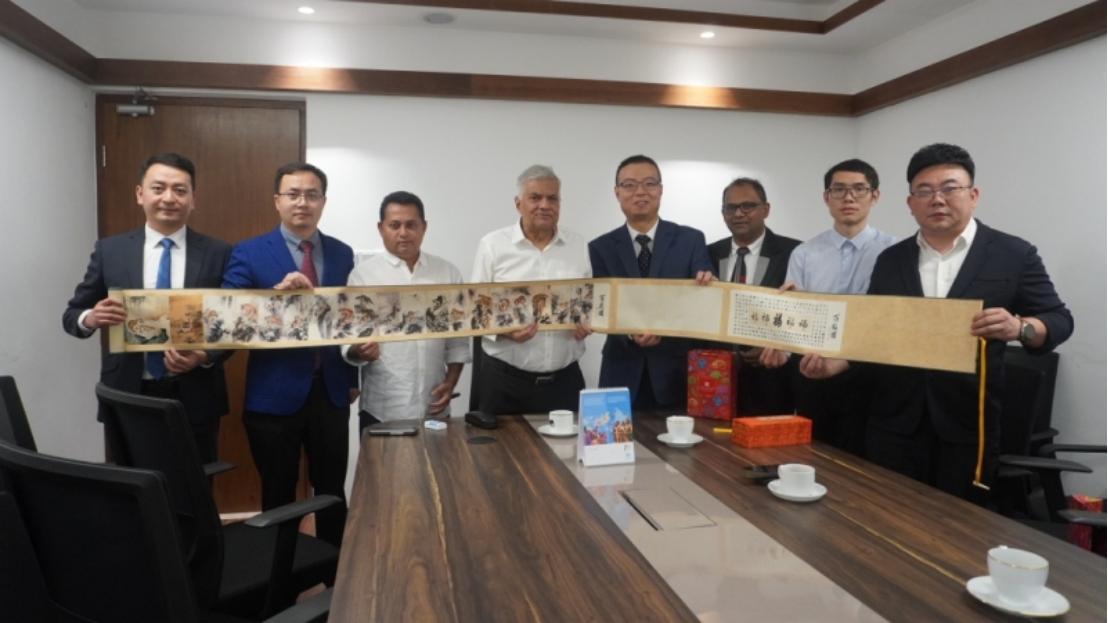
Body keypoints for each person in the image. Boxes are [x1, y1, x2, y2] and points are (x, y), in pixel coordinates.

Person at [799, 144, 1073, 502]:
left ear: (973, 195)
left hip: (968, 422)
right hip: (893, 420)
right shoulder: (892, 259)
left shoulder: (1013, 254)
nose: (937, 199)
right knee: (889, 514)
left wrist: (1020, 328)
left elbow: (1059, 319)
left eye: (949, 188)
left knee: (961, 522)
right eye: (924, 191)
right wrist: (834, 365)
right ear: (910, 203)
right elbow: (875, 333)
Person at [63, 153, 232, 464]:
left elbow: (232, 322)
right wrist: (91, 317)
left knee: (195, 482)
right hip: (127, 391)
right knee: (132, 482)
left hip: (195, 391)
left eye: (179, 190)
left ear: (193, 199)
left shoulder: (219, 253)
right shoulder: (110, 250)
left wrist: (204, 355)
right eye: (158, 188)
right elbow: (72, 315)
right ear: (140, 194)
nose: (169, 198)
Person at [221, 162, 357, 547]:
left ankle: (334, 570)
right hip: (273, 393)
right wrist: (274, 299)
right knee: (278, 495)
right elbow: (229, 315)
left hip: (331, 391)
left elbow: (349, 318)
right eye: (293, 194)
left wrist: (351, 377)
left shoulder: (343, 253)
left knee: (332, 491)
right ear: (277, 200)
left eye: (312, 195)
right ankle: (279, 575)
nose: (303, 203)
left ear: (323, 202)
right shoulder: (248, 252)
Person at [781, 159, 897, 454]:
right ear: (826, 197)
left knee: (865, 462)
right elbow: (793, 313)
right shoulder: (804, 253)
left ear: (875, 196)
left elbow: (890, 317)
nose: (849, 197)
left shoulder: (894, 252)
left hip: (870, 374)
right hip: (812, 369)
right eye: (839, 190)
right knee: (813, 456)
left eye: (859, 189)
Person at [589, 155, 714, 409]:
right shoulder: (600, 248)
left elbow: (703, 301)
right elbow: (601, 307)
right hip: (620, 369)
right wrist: (630, 334)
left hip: (676, 373)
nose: (640, 192)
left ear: (661, 190)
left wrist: (711, 287)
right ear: (617, 193)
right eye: (630, 185)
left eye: (649, 183)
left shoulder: (690, 240)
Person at [471, 165, 593, 414]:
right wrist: (505, 332)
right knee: (499, 443)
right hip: (505, 383)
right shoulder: (493, 245)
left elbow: (587, 304)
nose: (545, 205)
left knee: (570, 442)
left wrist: (585, 324)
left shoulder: (578, 244)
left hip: (565, 382)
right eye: (535, 197)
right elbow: (475, 312)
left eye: (552, 198)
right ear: (518, 203)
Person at [342, 191, 470, 429]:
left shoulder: (447, 273)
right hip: (381, 409)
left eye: (411, 225)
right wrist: (359, 350)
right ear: (381, 228)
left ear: (424, 227)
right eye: (395, 225)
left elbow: (458, 341)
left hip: (435, 406)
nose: (403, 232)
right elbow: (349, 340)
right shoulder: (363, 277)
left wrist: (451, 382)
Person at [706, 177, 801, 415]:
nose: (738, 213)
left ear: (765, 209)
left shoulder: (794, 252)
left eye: (747, 206)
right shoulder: (709, 254)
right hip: (715, 381)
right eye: (730, 207)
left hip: (773, 384)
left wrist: (780, 347)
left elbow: (804, 313)